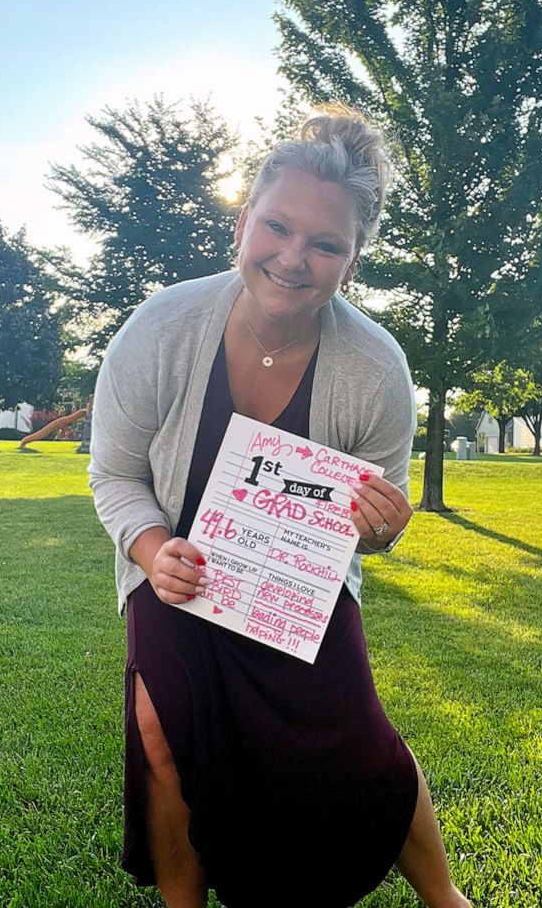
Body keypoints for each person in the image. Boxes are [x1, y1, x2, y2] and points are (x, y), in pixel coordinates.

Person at [89, 105, 472, 908]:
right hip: (177, 573)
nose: (294, 258)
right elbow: (115, 476)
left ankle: (447, 899)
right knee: (162, 728)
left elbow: (371, 522)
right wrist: (154, 550)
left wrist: (381, 530)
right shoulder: (160, 326)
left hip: (295, 584)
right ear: (243, 222)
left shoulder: (376, 367)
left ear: (352, 260)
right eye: (277, 227)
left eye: (325, 243)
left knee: (359, 741)